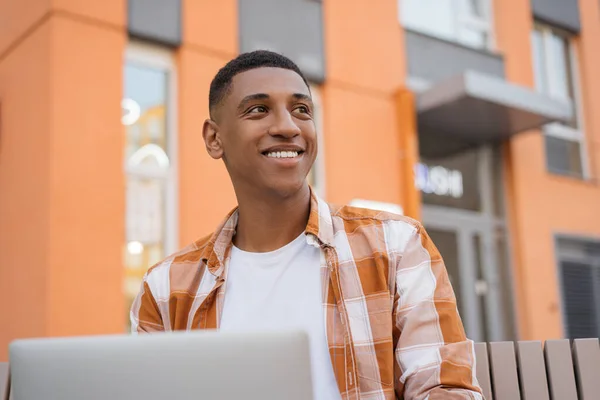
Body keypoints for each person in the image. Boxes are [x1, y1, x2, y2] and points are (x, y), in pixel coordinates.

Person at [130, 50, 483, 400]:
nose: (287, 126)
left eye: (302, 110)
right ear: (214, 138)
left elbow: (444, 388)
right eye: (259, 110)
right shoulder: (166, 287)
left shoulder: (396, 245)